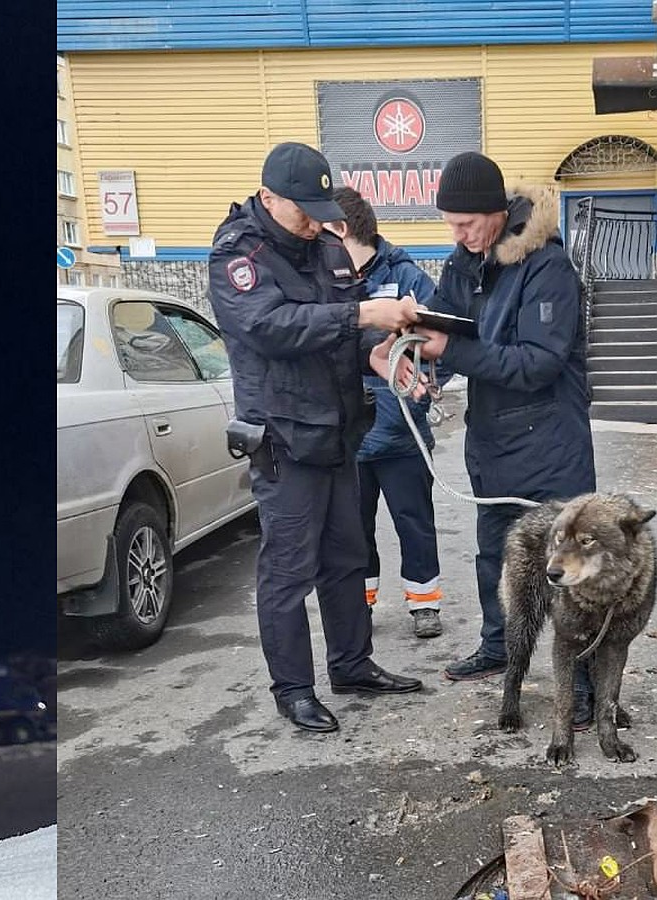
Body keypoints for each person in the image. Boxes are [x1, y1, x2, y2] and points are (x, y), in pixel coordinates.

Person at [208, 141, 424, 735]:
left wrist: (379, 356)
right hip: (282, 438)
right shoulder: (237, 255)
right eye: (301, 207)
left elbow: (345, 334)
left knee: (347, 558)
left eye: (318, 207)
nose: (314, 219)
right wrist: (362, 319)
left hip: (337, 432)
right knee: (288, 570)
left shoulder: (327, 247)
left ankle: (352, 665)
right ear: (268, 196)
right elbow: (270, 327)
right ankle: (294, 690)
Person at [410, 151, 598, 727]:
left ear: (497, 212)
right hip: (492, 443)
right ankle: (499, 647)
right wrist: (418, 360)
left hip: (552, 445)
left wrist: (454, 352)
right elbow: (438, 326)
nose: (458, 234)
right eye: (450, 224)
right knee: (495, 555)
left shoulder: (548, 268)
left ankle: (584, 682)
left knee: (566, 572)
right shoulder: (464, 264)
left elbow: (539, 363)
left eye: (467, 223)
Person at [325, 187, 444, 640]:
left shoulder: (408, 278)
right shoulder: (327, 280)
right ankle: (361, 601)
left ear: (341, 229)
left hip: (401, 433)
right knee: (353, 530)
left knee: (414, 522)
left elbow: (440, 344)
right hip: (348, 436)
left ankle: (424, 601)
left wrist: (426, 386)